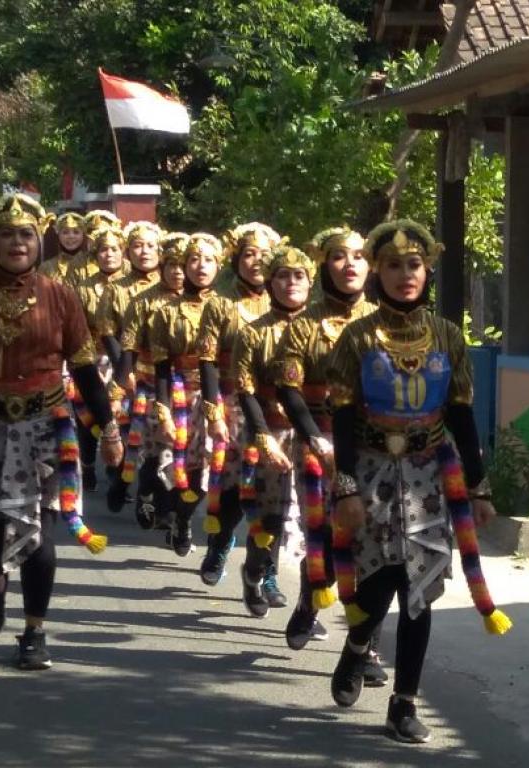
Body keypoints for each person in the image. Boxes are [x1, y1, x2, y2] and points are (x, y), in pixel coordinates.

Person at [324, 220, 511, 743]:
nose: (405, 275)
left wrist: (479, 487)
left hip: (430, 475)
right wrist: (344, 487)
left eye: (414, 265)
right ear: (376, 272)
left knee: (420, 589)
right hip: (369, 469)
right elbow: (339, 415)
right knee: (377, 580)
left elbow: (461, 414)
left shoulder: (449, 336)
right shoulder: (356, 337)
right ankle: (358, 642)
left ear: (427, 270)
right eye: (392, 265)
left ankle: (403, 704)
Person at [0, 193, 124, 671]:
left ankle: (35, 631)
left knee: (40, 532)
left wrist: (108, 428)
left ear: (37, 242)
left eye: (25, 234)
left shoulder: (61, 297)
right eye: (6, 234)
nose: (17, 243)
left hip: (46, 428)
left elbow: (85, 370)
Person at [276, 227, 382, 679]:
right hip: (318, 437)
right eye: (339, 256)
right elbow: (288, 387)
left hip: (374, 443)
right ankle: (310, 593)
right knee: (319, 530)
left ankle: (367, 647)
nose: (351, 264)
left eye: (359, 256)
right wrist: (313, 436)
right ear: (326, 265)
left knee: (373, 544)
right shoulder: (303, 325)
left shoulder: (385, 322)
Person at [227, 244, 313, 616]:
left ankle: (307, 607)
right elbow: (244, 389)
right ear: (271, 281)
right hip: (269, 432)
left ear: (311, 283)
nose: (290, 283)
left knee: (314, 520)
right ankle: (255, 571)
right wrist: (263, 438)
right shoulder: (252, 333)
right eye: (282, 275)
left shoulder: (323, 328)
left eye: (299, 276)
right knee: (271, 516)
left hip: (314, 436)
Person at [195, 223, 275, 592]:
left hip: (276, 408)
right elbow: (207, 361)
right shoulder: (220, 302)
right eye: (248, 254)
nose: (257, 261)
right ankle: (221, 540)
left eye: (264, 254)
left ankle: (264, 573)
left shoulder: (289, 300)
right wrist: (214, 413)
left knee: (273, 493)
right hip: (232, 405)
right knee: (232, 490)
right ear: (237, 259)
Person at [149, 233, 223, 556]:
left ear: (219, 266)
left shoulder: (229, 307)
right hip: (182, 394)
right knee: (186, 472)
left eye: (208, 259)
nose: (200, 266)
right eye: (193, 259)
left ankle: (203, 528)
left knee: (215, 471)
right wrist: (163, 412)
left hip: (221, 396)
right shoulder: (165, 312)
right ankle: (181, 518)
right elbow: (161, 367)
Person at [116, 233, 187, 531]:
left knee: (180, 454)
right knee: (152, 451)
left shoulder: (203, 302)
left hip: (188, 390)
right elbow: (128, 344)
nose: (177, 271)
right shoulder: (143, 300)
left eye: (183, 265)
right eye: (170, 264)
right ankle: (145, 494)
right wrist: (124, 377)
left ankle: (173, 513)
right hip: (149, 384)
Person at [99, 220, 164, 513]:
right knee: (131, 436)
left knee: (160, 439)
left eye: (151, 245)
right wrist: (125, 373)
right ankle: (123, 483)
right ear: (128, 251)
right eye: (138, 245)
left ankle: (150, 494)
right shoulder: (115, 288)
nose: (144, 251)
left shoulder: (171, 285)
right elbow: (108, 331)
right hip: (128, 369)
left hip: (163, 372)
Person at [69, 222, 129, 491]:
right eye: (103, 250)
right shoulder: (84, 288)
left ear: (123, 252)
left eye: (114, 249)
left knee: (123, 416)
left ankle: (118, 470)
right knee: (88, 415)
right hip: (91, 357)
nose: (109, 255)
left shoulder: (135, 285)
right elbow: (75, 327)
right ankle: (88, 464)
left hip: (125, 359)